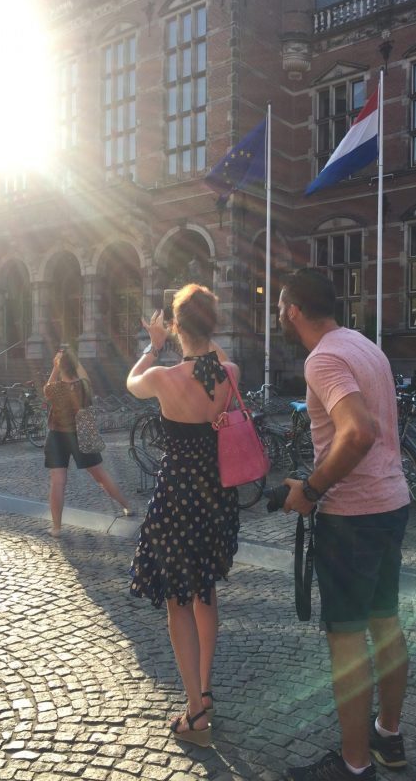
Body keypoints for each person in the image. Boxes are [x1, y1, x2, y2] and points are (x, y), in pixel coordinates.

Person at [278, 269, 411, 781]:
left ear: (291, 310)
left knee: (349, 642)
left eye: (280, 307)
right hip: (390, 504)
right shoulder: (363, 345)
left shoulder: (324, 358)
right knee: (386, 624)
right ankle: (388, 738)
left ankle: (355, 766)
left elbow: (358, 431)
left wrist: (310, 491)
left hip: (352, 517)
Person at [126, 284, 240, 748]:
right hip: (215, 493)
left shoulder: (162, 378)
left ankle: (195, 713)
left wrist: (154, 345)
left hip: (177, 495)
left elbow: (131, 381)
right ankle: (206, 692)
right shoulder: (228, 371)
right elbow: (215, 356)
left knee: (178, 600)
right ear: (213, 326)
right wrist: (198, 334)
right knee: (205, 589)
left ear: (176, 327)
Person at [43, 346, 132, 537]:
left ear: (60, 366)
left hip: (57, 436)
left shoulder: (56, 388)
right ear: (75, 365)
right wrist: (74, 359)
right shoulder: (84, 386)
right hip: (81, 436)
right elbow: (84, 377)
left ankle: (56, 528)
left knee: (57, 483)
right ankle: (127, 506)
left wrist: (55, 367)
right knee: (101, 475)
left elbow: (46, 389)